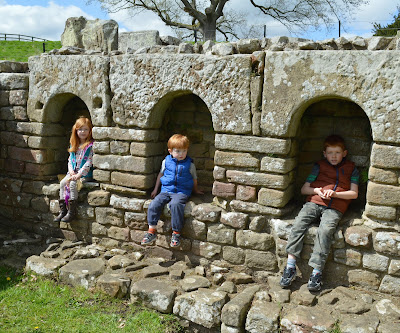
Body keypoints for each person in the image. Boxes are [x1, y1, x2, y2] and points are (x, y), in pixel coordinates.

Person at [280, 134, 359, 291]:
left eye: (337, 152)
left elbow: (354, 194)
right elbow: (304, 189)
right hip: (315, 202)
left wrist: (336, 194)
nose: (333, 156)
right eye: (330, 153)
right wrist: (317, 190)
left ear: (344, 153)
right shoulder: (319, 166)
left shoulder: (352, 169)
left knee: (325, 230)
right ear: (324, 154)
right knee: (299, 223)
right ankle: (290, 266)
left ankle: (316, 272)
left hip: (336, 206)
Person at [141, 134, 203, 248]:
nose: (181, 154)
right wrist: (156, 189)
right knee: (154, 204)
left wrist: (195, 190)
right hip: (166, 190)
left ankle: (176, 233)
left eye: (184, 151)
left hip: (181, 191)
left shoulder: (190, 164)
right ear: (170, 151)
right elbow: (161, 174)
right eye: (178, 151)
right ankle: (151, 231)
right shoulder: (166, 161)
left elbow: (194, 178)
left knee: (175, 205)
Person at [54, 117, 94, 223]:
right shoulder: (74, 144)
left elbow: (88, 162)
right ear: (75, 130)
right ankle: (63, 210)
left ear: (90, 131)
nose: (83, 132)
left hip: (84, 174)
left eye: (86, 129)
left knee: (72, 184)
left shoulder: (90, 146)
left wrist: (79, 175)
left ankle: (72, 212)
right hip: (72, 173)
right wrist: (71, 171)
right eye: (80, 129)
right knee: (62, 183)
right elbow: (70, 159)